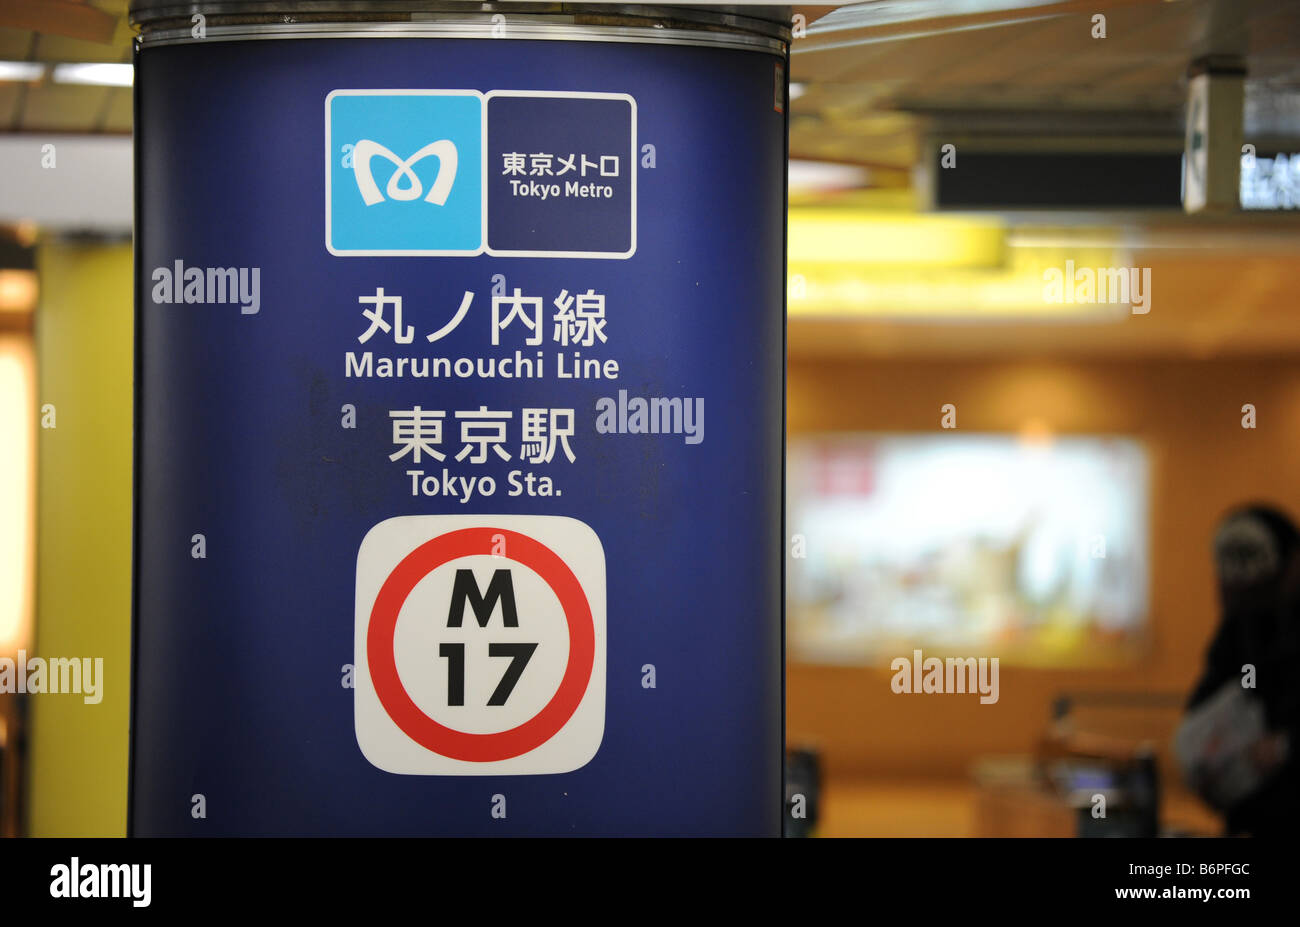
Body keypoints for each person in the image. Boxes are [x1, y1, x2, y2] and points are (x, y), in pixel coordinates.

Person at [1183, 504, 1300, 836]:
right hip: (1253, 811)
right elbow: (1217, 682)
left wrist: (1286, 745)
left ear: (1293, 564)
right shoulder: (1245, 621)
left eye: (1262, 589)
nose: (1250, 602)